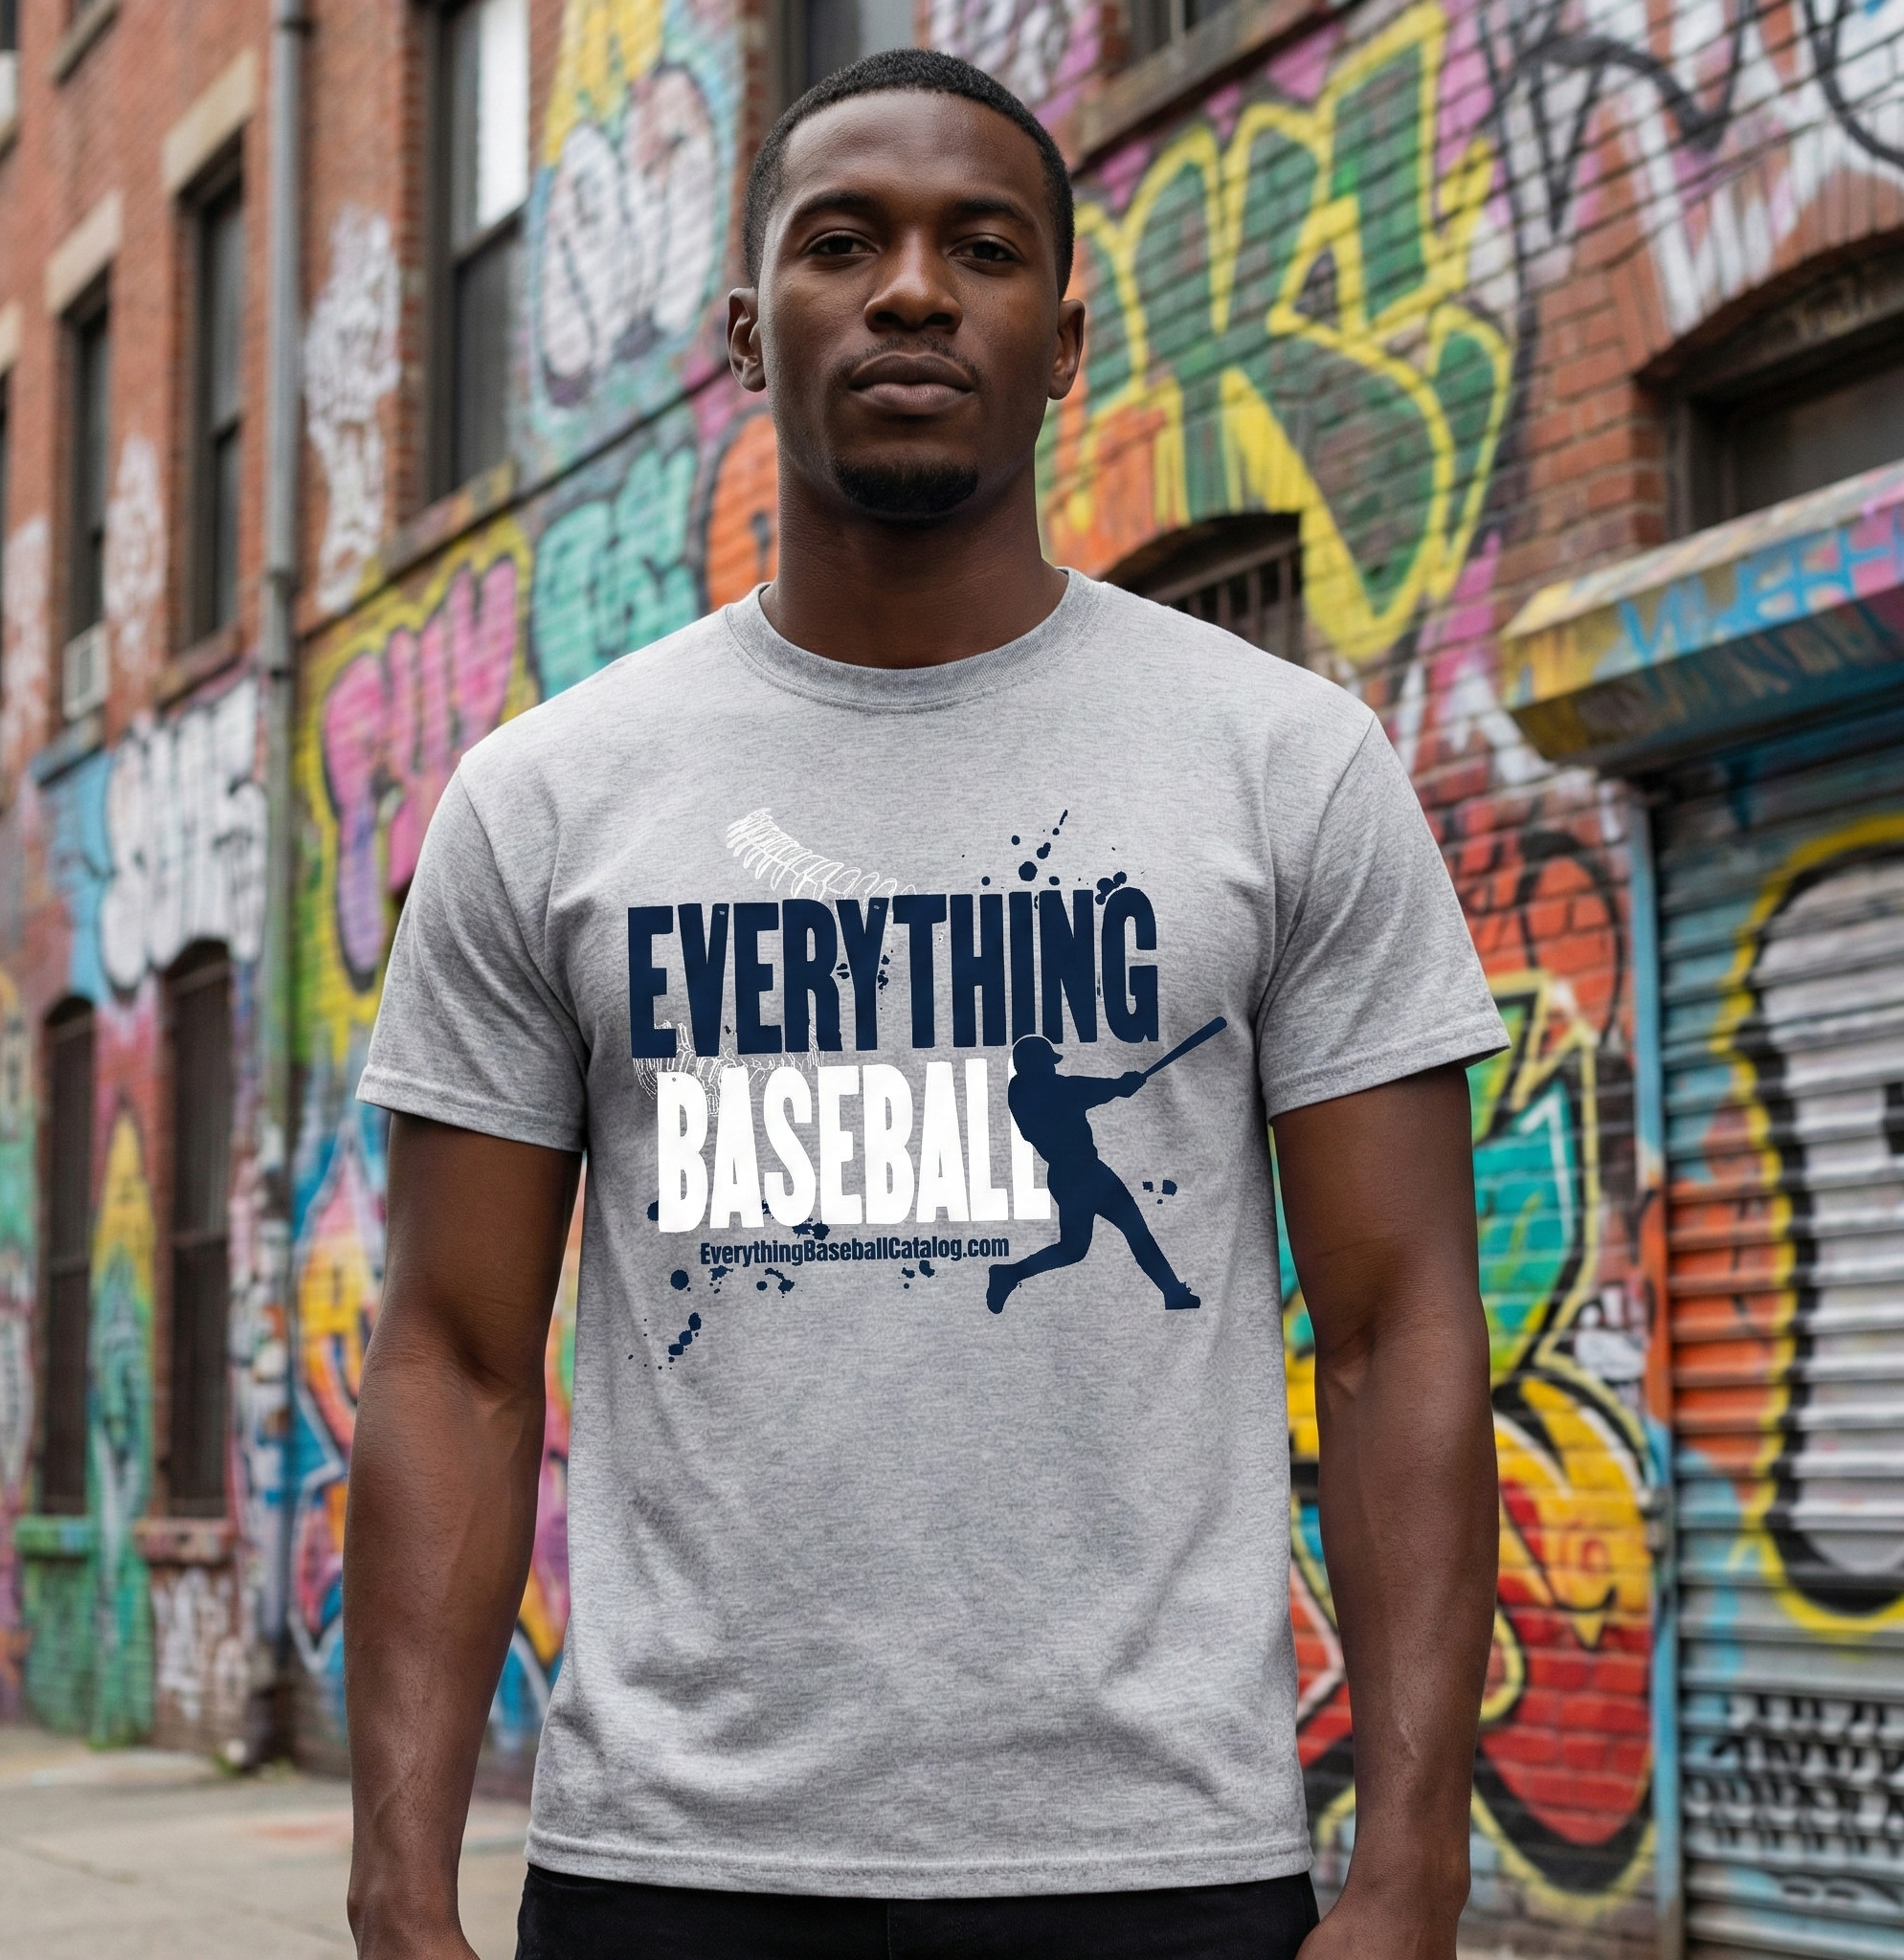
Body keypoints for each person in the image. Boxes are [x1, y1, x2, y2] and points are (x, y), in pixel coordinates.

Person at [343, 47, 1506, 1960]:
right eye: (841, 241)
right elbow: (453, 1356)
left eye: (977, 246)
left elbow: (1394, 1329)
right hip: (671, 1881)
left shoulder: (1279, 763)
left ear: (1064, 335)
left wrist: (1406, 1874)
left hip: (1161, 1868)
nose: (907, 288)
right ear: (745, 327)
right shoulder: (550, 799)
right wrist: (398, 1896)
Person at [990, 1034, 1200, 1314]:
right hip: (1085, 1175)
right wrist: (1120, 1085)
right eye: (1047, 1063)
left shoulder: (1017, 1090)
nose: (1053, 1068)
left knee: (1074, 1249)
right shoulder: (1047, 1092)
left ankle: (1011, 1274)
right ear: (1034, 1066)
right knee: (1131, 1233)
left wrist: (1118, 1086)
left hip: (1067, 1177)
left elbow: (1075, 1088)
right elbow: (1077, 1089)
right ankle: (1173, 1292)